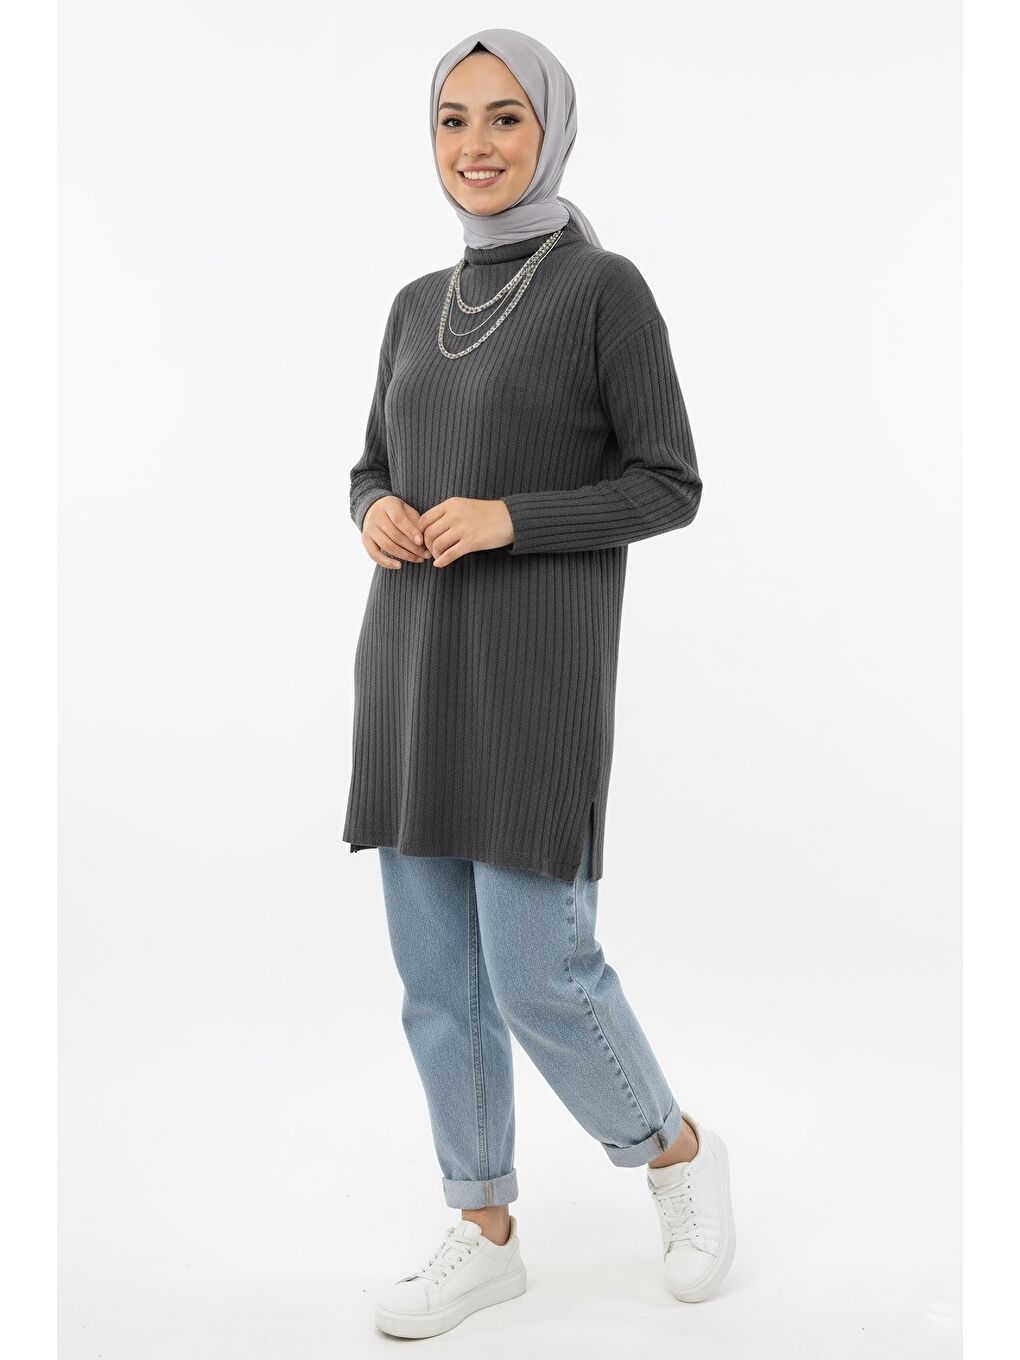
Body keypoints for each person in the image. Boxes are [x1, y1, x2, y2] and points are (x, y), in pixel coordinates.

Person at [342, 28, 736, 1339]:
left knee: (539, 976)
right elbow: (372, 461)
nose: (477, 145)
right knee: (437, 985)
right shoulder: (414, 304)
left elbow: (669, 483)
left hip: (534, 685)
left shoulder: (603, 289)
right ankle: (484, 1226)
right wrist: (375, 509)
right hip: (412, 674)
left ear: (552, 130)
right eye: (453, 119)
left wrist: (511, 519)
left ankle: (675, 1153)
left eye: (506, 117)